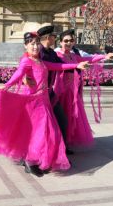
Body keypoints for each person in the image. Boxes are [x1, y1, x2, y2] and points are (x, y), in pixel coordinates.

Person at [0, 31, 89, 177]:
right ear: (26, 46)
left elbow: (58, 67)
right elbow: (18, 73)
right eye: (32, 44)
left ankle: (35, 160)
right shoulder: (27, 61)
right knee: (38, 133)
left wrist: (76, 65)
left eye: (37, 43)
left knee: (46, 133)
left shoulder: (42, 62)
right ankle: (29, 163)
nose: (35, 47)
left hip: (44, 102)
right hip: (33, 102)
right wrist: (6, 86)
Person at [54, 29, 113, 148]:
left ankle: (66, 144)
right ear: (60, 42)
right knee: (60, 120)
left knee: (71, 118)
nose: (69, 43)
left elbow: (90, 59)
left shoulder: (73, 55)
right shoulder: (57, 55)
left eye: (71, 40)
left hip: (72, 92)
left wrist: (105, 56)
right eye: (66, 41)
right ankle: (59, 145)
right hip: (60, 92)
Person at [37, 25, 71, 154]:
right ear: (47, 37)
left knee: (62, 121)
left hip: (50, 92)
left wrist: (76, 66)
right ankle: (36, 154)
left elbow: (61, 65)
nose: (55, 38)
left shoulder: (51, 52)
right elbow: (55, 66)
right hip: (39, 94)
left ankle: (61, 149)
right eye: (54, 36)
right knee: (41, 126)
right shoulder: (39, 52)